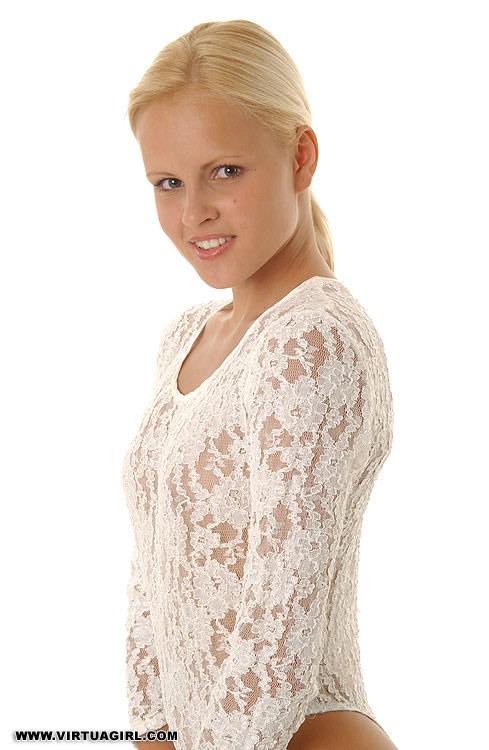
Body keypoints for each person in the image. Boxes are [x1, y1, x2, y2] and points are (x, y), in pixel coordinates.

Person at [122, 19, 399, 750]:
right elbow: (153, 581)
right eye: (168, 183)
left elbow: (280, 621)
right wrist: (152, 735)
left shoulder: (311, 340)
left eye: (225, 171)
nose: (194, 213)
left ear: (301, 156)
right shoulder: (187, 337)